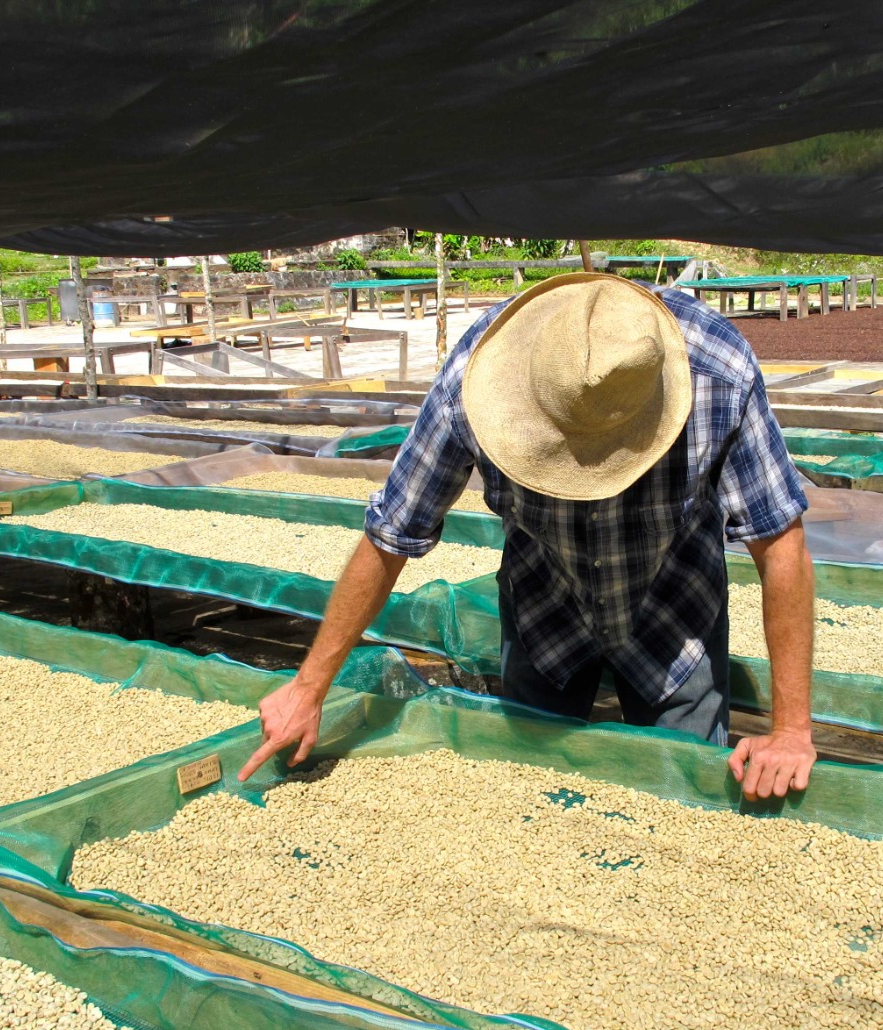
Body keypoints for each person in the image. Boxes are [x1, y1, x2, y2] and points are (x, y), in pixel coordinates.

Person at [240, 272, 816, 799]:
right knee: (531, 796)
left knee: (684, 796)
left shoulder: (719, 371)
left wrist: (790, 729)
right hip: (547, 611)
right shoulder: (474, 380)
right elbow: (393, 534)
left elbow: (780, 543)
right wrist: (308, 686)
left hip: (675, 614)